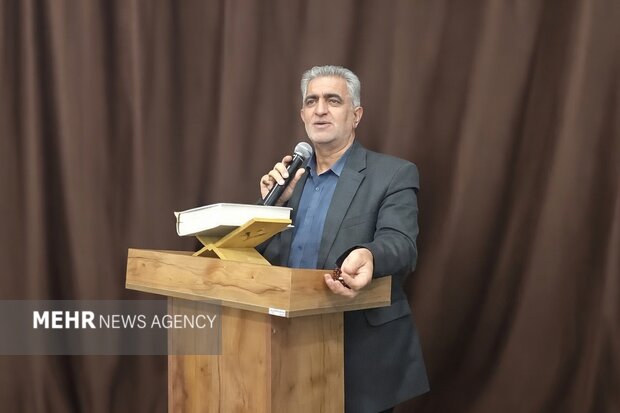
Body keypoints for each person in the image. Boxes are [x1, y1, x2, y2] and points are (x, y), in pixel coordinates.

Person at [258, 65, 429, 413]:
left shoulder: (394, 173)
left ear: (356, 115)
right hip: (285, 347)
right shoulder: (288, 181)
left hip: (359, 352)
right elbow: (259, 259)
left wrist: (369, 255)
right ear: (303, 114)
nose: (320, 109)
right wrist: (269, 210)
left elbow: (401, 243)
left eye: (333, 100)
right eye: (312, 101)